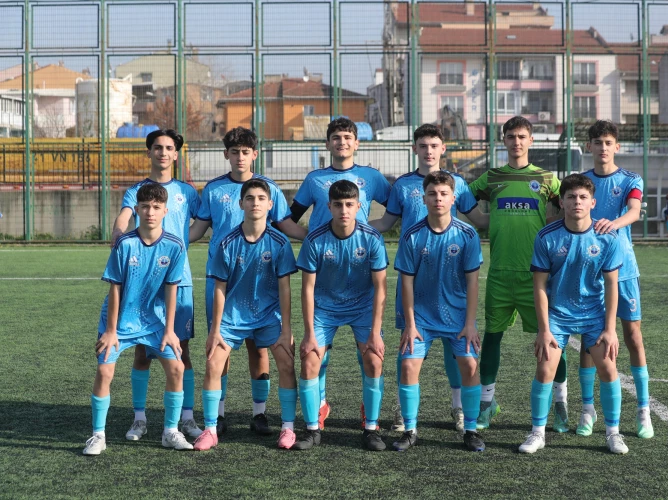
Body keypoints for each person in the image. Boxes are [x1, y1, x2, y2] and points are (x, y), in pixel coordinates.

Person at [369, 123, 488, 433]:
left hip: (451, 278)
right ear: (415, 149)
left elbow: (478, 219)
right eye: (423, 145)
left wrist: (519, 217)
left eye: (434, 145)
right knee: (408, 343)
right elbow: (386, 222)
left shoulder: (457, 183)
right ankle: (402, 409)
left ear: (443, 148)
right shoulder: (402, 185)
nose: (429, 151)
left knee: (456, 348)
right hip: (414, 277)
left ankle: (459, 407)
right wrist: (353, 226)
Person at [189, 127, 306, 436]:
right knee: (220, 348)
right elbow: (198, 229)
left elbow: (286, 225)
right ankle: (219, 415)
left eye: (245, 152)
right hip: (223, 279)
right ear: (226, 154)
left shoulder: (269, 188)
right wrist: (168, 240)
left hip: (261, 280)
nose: (240, 157)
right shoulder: (213, 189)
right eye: (234, 152)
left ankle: (259, 413)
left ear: (255, 154)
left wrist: (318, 237)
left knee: (260, 348)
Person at [290, 117, 391, 430]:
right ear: (328, 143)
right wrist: (310, 238)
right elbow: (290, 216)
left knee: (370, 355)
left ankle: (370, 416)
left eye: (348, 137)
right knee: (316, 355)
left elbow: (397, 209)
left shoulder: (371, 177)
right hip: (325, 276)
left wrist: (372, 231)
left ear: (357, 143)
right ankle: (319, 407)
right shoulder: (315, 179)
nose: (342, 142)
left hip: (360, 276)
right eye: (336, 137)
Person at [519, 173, 628, 455]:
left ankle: (613, 433)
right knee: (545, 369)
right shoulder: (546, 236)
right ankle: (537, 433)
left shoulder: (607, 237)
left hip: (593, 314)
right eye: (571, 197)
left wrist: (610, 329)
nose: (576, 202)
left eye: (582, 197)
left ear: (592, 202)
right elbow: (539, 286)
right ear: (562, 202)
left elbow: (612, 285)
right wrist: (544, 330)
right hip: (557, 315)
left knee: (608, 368)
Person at [468, 116, 563, 430]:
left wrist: (552, 227)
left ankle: (560, 403)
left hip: (536, 275)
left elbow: (569, 205)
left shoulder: (546, 178)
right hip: (499, 273)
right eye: (511, 136)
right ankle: (486, 404)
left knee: (550, 340)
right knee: (492, 338)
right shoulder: (492, 178)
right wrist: (482, 221)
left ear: (531, 140)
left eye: (522, 136)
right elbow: (463, 197)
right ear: (504, 140)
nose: (516, 142)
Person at [84, 183, 192, 455]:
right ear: (137, 210)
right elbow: (115, 288)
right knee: (104, 371)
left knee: (177, 369)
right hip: (120, 321)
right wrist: (111, 330)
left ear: (165, 211)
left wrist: (170, 330)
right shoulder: (125, 243)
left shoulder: (175, 245)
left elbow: (172, 290)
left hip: (154, 321)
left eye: (156, 207)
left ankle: (170, 431)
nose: (150, 212)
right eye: (145, 207)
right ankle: (98, 435)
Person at [109, 129, 203, 442]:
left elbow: (202, 223)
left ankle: (186, 418)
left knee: (181, 350)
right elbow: (124, 218)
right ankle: (139, 419)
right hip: (144, 283)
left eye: (169, 148)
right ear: (149, 152)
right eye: (158, 147)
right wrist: (119, 235)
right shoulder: (137, 191)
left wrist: (181, 243)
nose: (163, 152)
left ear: (176, 154)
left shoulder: (187, 192)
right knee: (142, 351)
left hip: (179, 281)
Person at [392, 172, 485, 452]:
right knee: (408, 365)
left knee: (470, 366)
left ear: (453, 198)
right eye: (432, 194)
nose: (438, 199)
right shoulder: (412, 235)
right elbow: (406, 282)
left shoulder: (467, 234)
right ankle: (410, 430)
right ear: (424, 198)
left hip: (457, 317)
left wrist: (470, 323)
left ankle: (471, 430)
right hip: (421, 317)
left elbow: (473, 282)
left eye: (444, 194)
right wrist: (410, 324)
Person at [581, 120, 653, 439]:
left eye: (608, 142)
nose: (603, 147)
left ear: (617, 146)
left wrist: (614, 223)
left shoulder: (630, 179)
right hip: (588, 271)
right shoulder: (582, 181)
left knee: (633, 336)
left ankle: (643, 410)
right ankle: (587, 409)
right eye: (597, 142)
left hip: (623, 270)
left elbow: (635, 211)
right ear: (589, 146)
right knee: (589, 341)